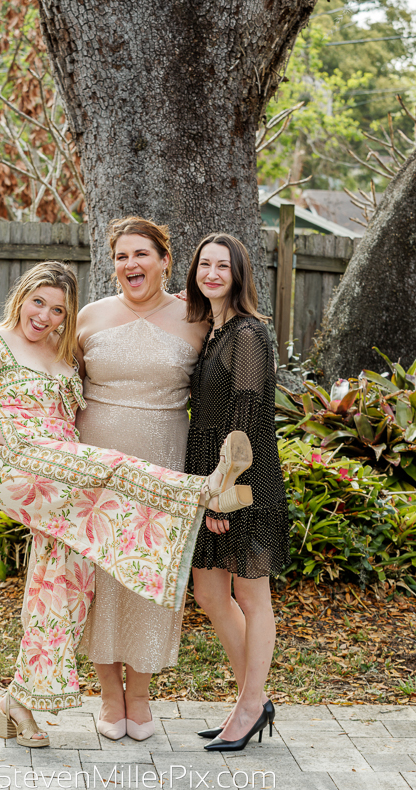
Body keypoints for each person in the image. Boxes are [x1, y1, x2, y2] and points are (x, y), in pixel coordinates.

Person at [0, 261, 239, 748]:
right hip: (23, 466)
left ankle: (18, 702)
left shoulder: (60, 351)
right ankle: (203, 491)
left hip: (64, 473)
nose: (44, 316)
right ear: (21, 297)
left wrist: (187, 304)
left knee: (63, 587)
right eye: (38, 302)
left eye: (58, 310)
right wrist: (8, 437)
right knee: (115, 467)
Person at [76, 217, 208, 741]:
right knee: (100, 577)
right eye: (121, 256)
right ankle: (110, 696)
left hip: (163, 468)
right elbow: (59, 384)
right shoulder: (89, 316)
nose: (130, 264)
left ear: (164, 261)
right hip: (96, 469)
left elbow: (218, 398)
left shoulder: (197, 319)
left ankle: (141, 696)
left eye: (141, 254)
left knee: (150, 575)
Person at [184, 234, 290, 753]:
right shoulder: (213, 330)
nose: (211, 273)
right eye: (204, 264)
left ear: (239, 274)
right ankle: (255, 699)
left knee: (250, 595)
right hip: (210, 474)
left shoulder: (248, 333)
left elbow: (245, 417)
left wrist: (223, 492)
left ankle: (249, 706)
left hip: (241, 479)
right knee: (209, 593)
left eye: (222, 266)